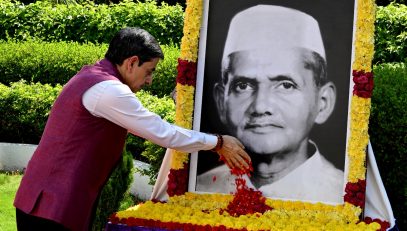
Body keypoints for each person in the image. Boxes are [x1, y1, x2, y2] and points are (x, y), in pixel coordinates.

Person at [13, 27, 251, 231]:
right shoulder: (110, 91)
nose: (149, 81)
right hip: (51, 208)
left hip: (46, 201)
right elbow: (161, 132)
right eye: (149, 72)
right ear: (131, 62)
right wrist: (218, 143)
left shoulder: (95, 77)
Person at [196, 5, 344, 204]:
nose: (260, 106)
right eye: (243, 85)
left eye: (285, 85)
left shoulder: (341, 196)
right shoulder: (200, 190)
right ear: (222, 101)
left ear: (323, 102)